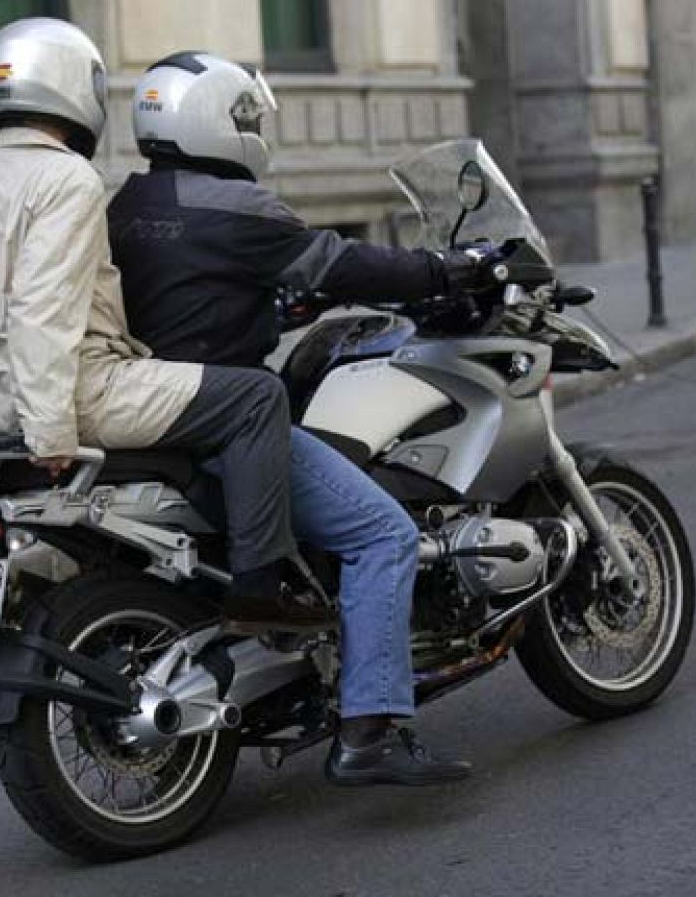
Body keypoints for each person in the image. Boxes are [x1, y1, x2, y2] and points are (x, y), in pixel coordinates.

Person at [108, 53, 500, 786]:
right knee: (384, 533)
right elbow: (342, 262)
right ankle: (370, 729)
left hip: (150, 411)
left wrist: (275, 306)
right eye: (246, 117)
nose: (254, 130)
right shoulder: (239, 207)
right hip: (225, 421)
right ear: (215, 122)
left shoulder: (127, 203)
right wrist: (445, 271)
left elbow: (193, 291)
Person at [0, 18, 329, 633]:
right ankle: (262, 583)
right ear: (77, 88)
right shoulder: (66, 179)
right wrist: (50, 434)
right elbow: (41, 310)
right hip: (84, 397)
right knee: (256, 397)